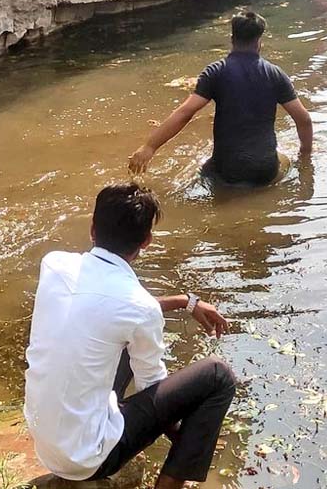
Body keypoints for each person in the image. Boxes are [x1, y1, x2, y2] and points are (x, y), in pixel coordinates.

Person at [24, 183, 236, 489]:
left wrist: (182, 301)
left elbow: (107, 307)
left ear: (92, 228)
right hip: (88, 458)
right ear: (147, 241)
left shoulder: (54, 264)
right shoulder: (139, 307)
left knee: (114, 338)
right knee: (218, 375)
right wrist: (190, 436)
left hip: (45, 443)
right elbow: (153, 387)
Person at [128, 12, 313, 186]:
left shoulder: (215, 72)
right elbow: (303, 119)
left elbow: (185, 112)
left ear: (232, 39)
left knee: (204, 172)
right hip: (265, 170)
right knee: (284, 160)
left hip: (226, 170)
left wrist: (149, 147)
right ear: (259, 42)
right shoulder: (275, 74)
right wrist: (305, 155)